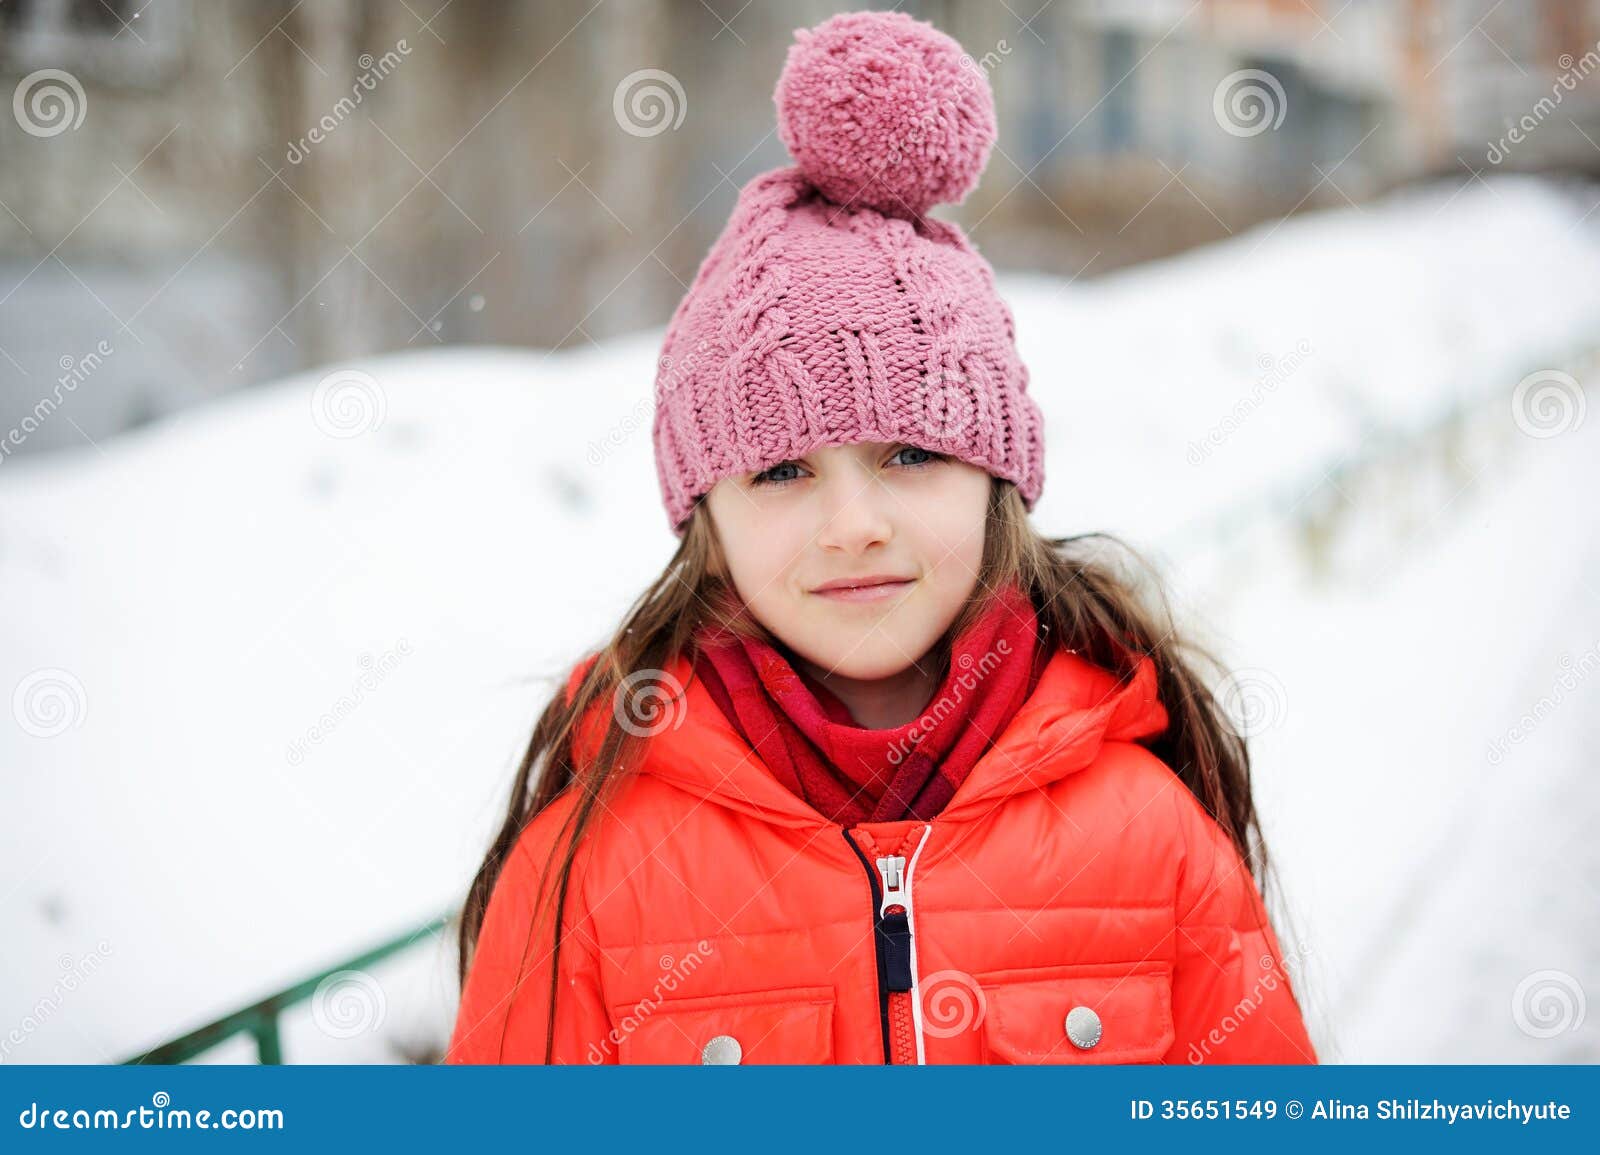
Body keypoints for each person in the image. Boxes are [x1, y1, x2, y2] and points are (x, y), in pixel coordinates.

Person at [447, 8, 1317, 1066]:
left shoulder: (1150, 832)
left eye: (909, 455)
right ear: (703, 522)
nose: (853, 526)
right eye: (779, 471)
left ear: (995, 482)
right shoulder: (587, 873)